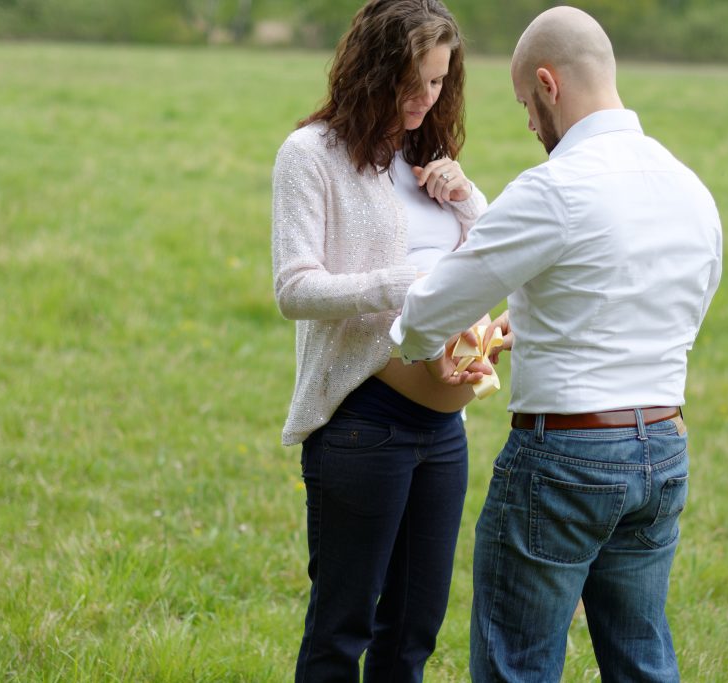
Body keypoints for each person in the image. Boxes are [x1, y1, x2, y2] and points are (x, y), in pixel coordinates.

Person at [391, 6, 723, 682]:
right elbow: (683, 309)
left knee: (518, 666)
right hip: (663, 449)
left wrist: (418, 341)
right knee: (641, 659)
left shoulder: (556, 188)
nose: (530, 125)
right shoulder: (690, 187)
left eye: (525, 105)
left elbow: (431, 309)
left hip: (566, 454)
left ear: (548, 84)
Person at [269, 0, 490, 680]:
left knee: (412, 636)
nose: (425, 98)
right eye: (411, 82)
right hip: (363, 423)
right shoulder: (312, 155)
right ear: (371, 70)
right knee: (342, 632)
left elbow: (489, 263)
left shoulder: (426, 157)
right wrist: (407, 284)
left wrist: (466, 197)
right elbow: (295, 288)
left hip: (444, 432)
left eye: (438, 81)